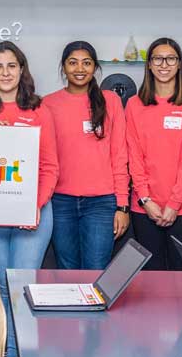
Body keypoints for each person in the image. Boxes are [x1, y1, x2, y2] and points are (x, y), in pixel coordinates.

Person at [0, 41, 59, 357]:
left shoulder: (38, 110)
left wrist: (34, 205)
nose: (5, 73)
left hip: (32, 213)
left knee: (22, 287)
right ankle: (11, 356)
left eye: (11, 66)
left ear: (21, 70)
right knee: (5, 286)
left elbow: (49, 166)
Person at [42, 41, 128, 270]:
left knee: (96, 271)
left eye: (86, 63)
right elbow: (41, 158)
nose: (79, 69)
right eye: (73, 63)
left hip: (101, 203)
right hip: (60, 202)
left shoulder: (111, 101)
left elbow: (120, 155)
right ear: (63, 67)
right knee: (66, 269)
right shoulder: (47, 104)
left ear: (95, 67)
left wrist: (122, 206)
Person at [125, 38, 182, 270]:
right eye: (158, 58)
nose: (164, 64)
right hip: (144, 208)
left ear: (179, 64)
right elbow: (134, 156)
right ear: (149, 64)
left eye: (171, 58)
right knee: (151, 281)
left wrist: (174, 203)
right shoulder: (134, 104)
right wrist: (146, 200)